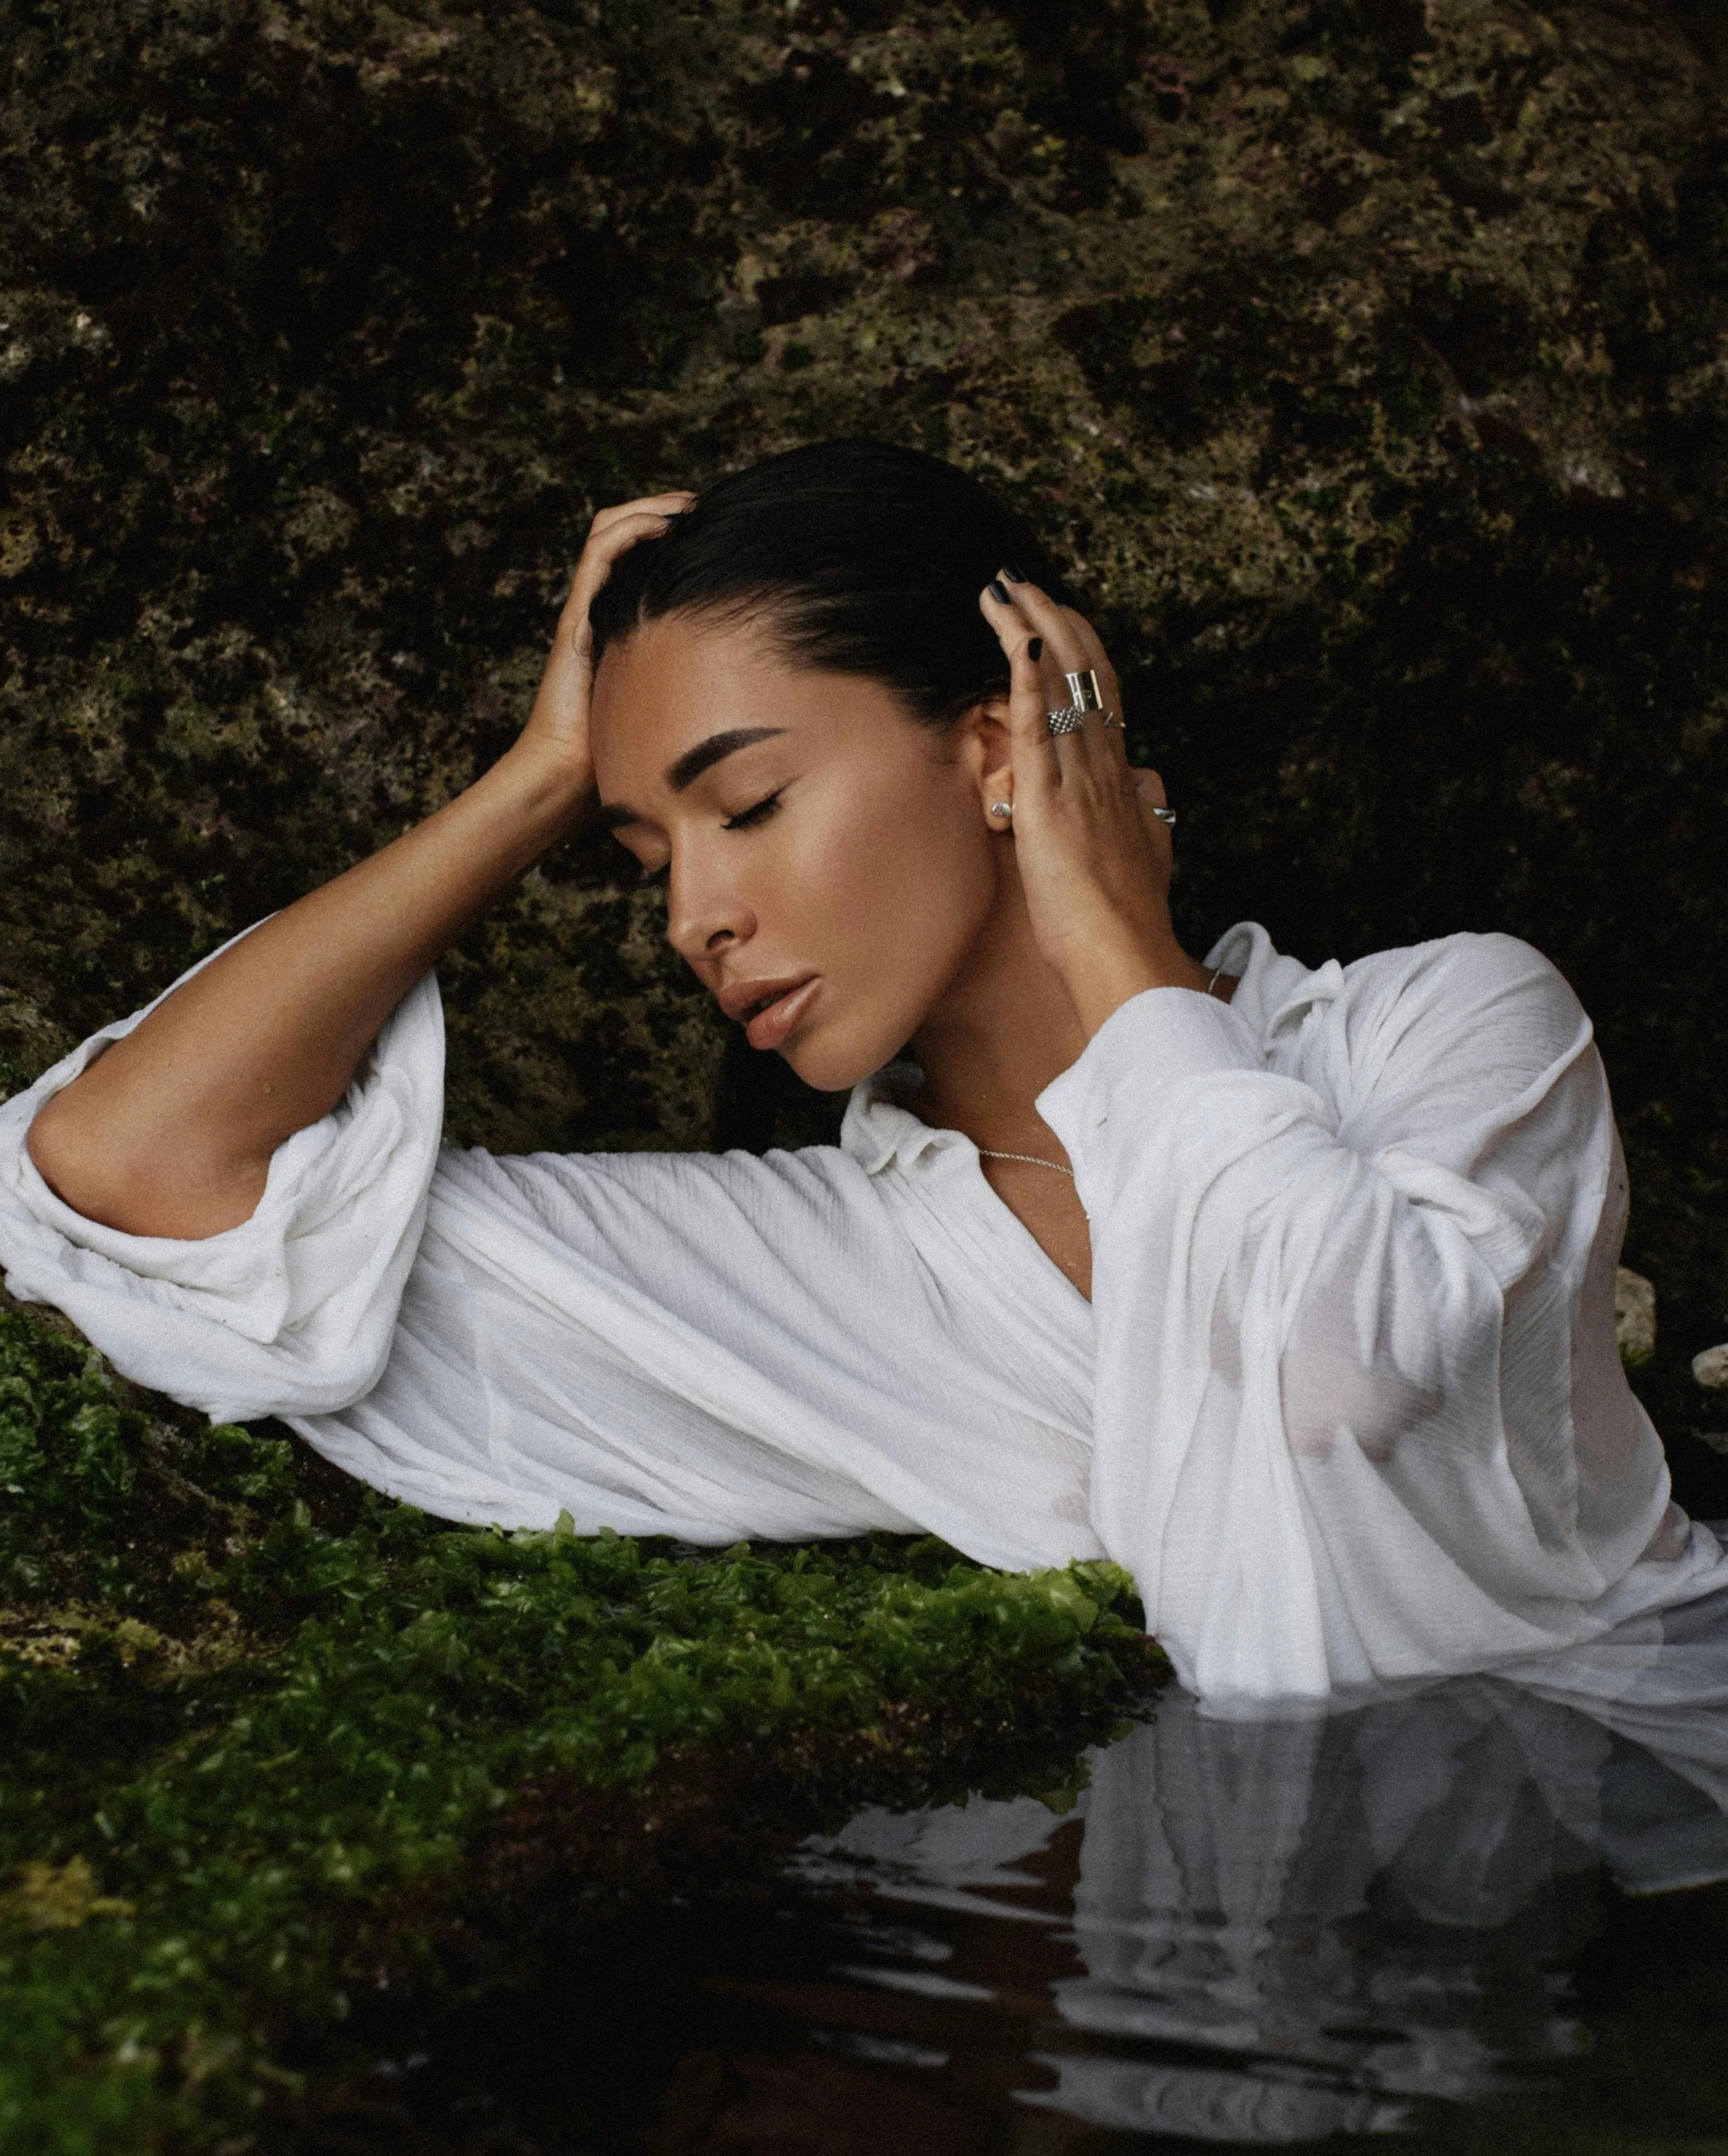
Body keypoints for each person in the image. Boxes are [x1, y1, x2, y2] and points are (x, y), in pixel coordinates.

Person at [1, 440, 1721, 1708]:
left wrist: (1112, 928)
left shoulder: (1455, 1027)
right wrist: (531, 779)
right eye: (639, 851)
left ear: (994, 744)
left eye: (743, 807)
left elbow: (1341, 1374)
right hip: (1246, 1983)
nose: (691, 914)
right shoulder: (840, 1263)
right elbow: (136, 1167)